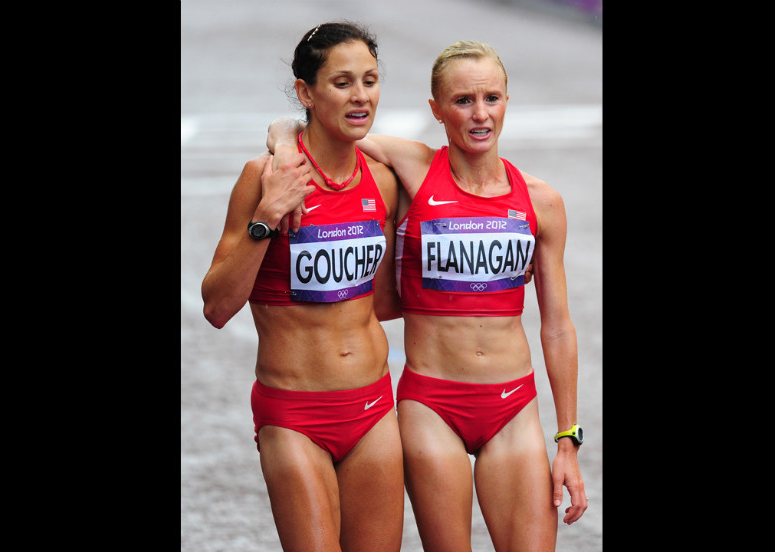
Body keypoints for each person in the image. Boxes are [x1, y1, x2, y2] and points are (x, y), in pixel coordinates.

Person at [268, 40, 587, 551]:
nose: (480, 114)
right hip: (431, 403)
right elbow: (305, 127)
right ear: (436, 110)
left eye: (492, 98)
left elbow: (558, 326)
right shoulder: (413, 167)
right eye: (462, 101)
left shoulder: (542, 201)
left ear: (507, 101)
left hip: (513, 404)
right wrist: (284, 146)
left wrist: (568, 439)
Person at [201, 22, 404, 552]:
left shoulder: (382, 180)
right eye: (342, 83)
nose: (361, 96)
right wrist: (266, 217)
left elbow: (384, 298)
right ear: (305, 92)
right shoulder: (263, 177)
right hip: (294, 414)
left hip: (374, 409)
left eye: (370, 80)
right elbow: (217, 306)